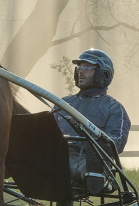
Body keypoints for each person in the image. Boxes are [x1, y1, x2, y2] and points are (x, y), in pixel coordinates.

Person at [51, 49, 130, 195]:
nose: (81, 71)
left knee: (87, 163)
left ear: (102, 74)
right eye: (79, 68)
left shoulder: (114, 108)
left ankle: (94, 177)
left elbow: (116, 143)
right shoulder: (63, 103)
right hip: (58, 156)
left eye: (87, 68)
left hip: (89, 160)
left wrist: (94, 144)